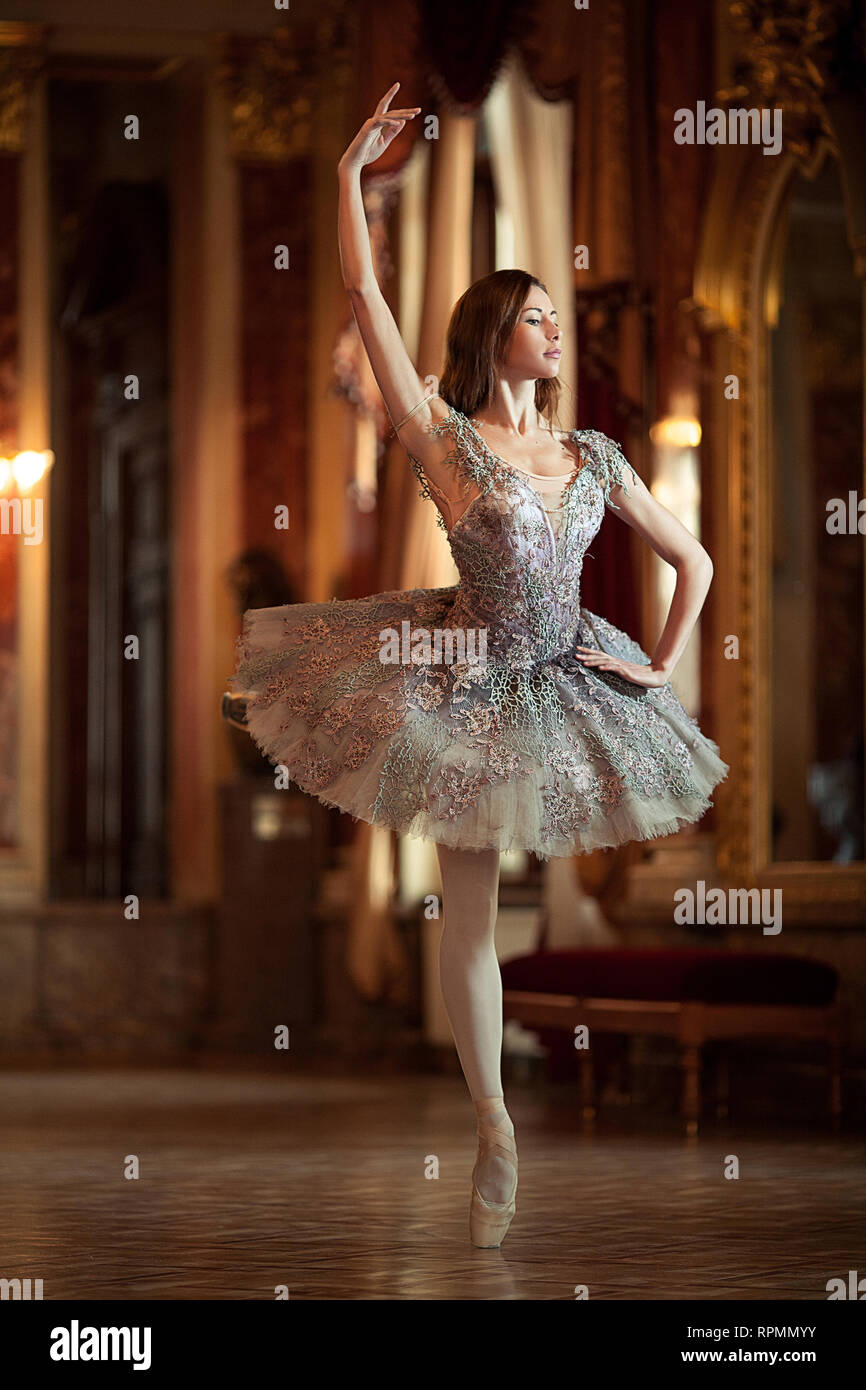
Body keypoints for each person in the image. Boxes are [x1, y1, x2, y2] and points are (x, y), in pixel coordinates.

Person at [223, 83, 729, 1248]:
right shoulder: (444, 443)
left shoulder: (594, 451)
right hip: (457, 673)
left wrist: (655, 667)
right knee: (465, 907)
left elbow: (692, 561)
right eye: (537, 315)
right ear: (495, 331)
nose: (555, 330)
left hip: (565, 674)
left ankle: (493, 1121)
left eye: (557, 316)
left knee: (482, 902)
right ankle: (493, 1123)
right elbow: (362, 295)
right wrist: (350, 178)